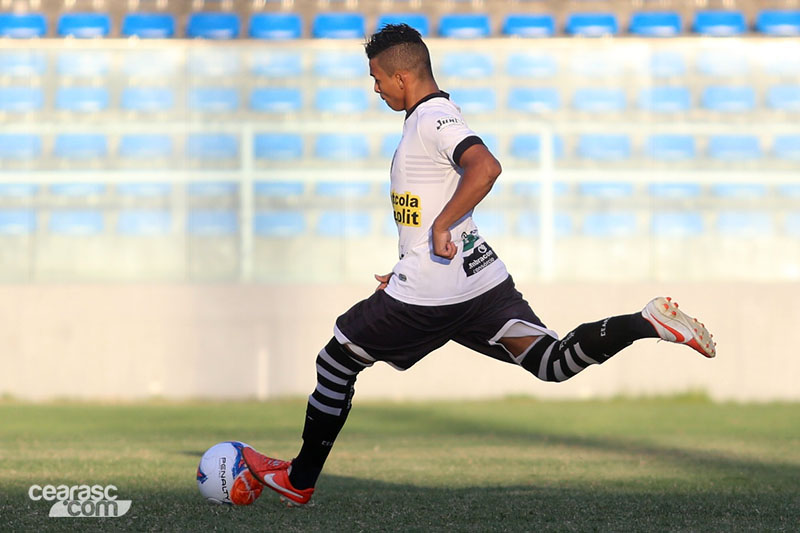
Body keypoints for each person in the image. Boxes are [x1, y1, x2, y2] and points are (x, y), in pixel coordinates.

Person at [241, 23, 716, 507]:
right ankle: (645, 322)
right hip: (478, 284)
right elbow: (431, 205)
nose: (376, 89)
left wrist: (440, 232)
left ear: (403, 77)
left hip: (432, 293)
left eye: (377, 78)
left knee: (335, 361)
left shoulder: (433, 117)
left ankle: (299, 480)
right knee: (551, 363)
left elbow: (485, 167)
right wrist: (411, 257)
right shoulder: (430, 118)